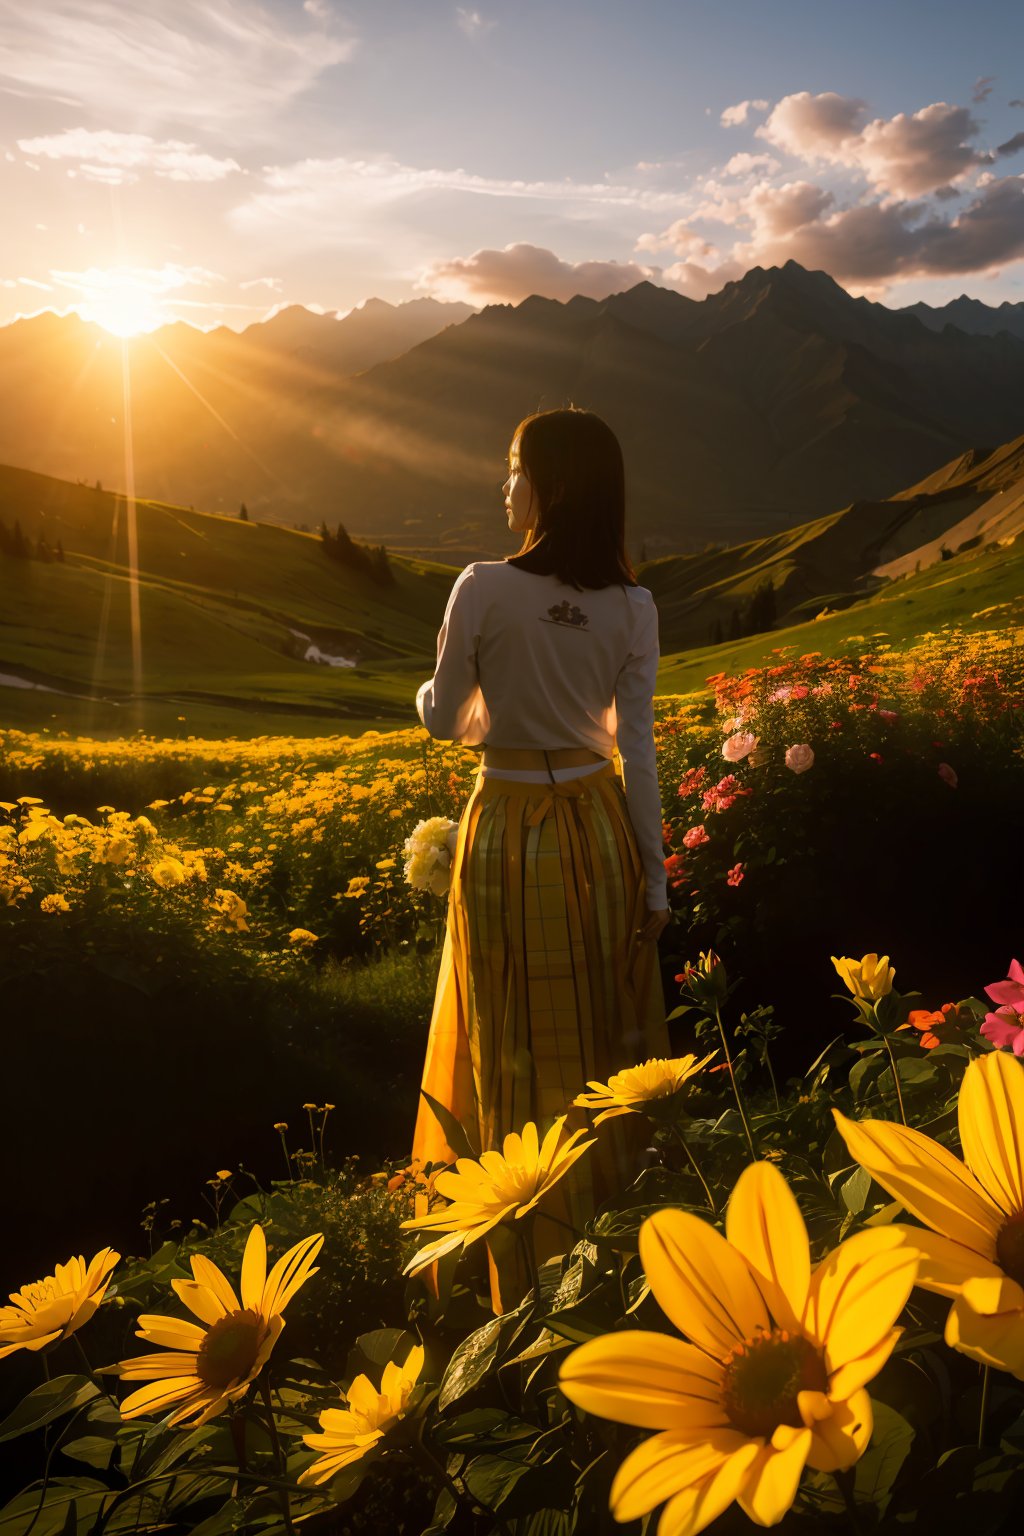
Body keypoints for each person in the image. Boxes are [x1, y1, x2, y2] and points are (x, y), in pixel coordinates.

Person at [412, 407, 671, 1308]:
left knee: (507, 1024)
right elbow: (635, 749)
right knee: (597, 1023)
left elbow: (446, 720)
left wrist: (458, 704)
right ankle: (612, 1238)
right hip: (598, 828)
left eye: (515, 467)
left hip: (507, 824)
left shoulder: (481, 586)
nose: (506, 483)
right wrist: (658, 879)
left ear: (549, 484)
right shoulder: (633, 606)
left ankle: (519, 1264)